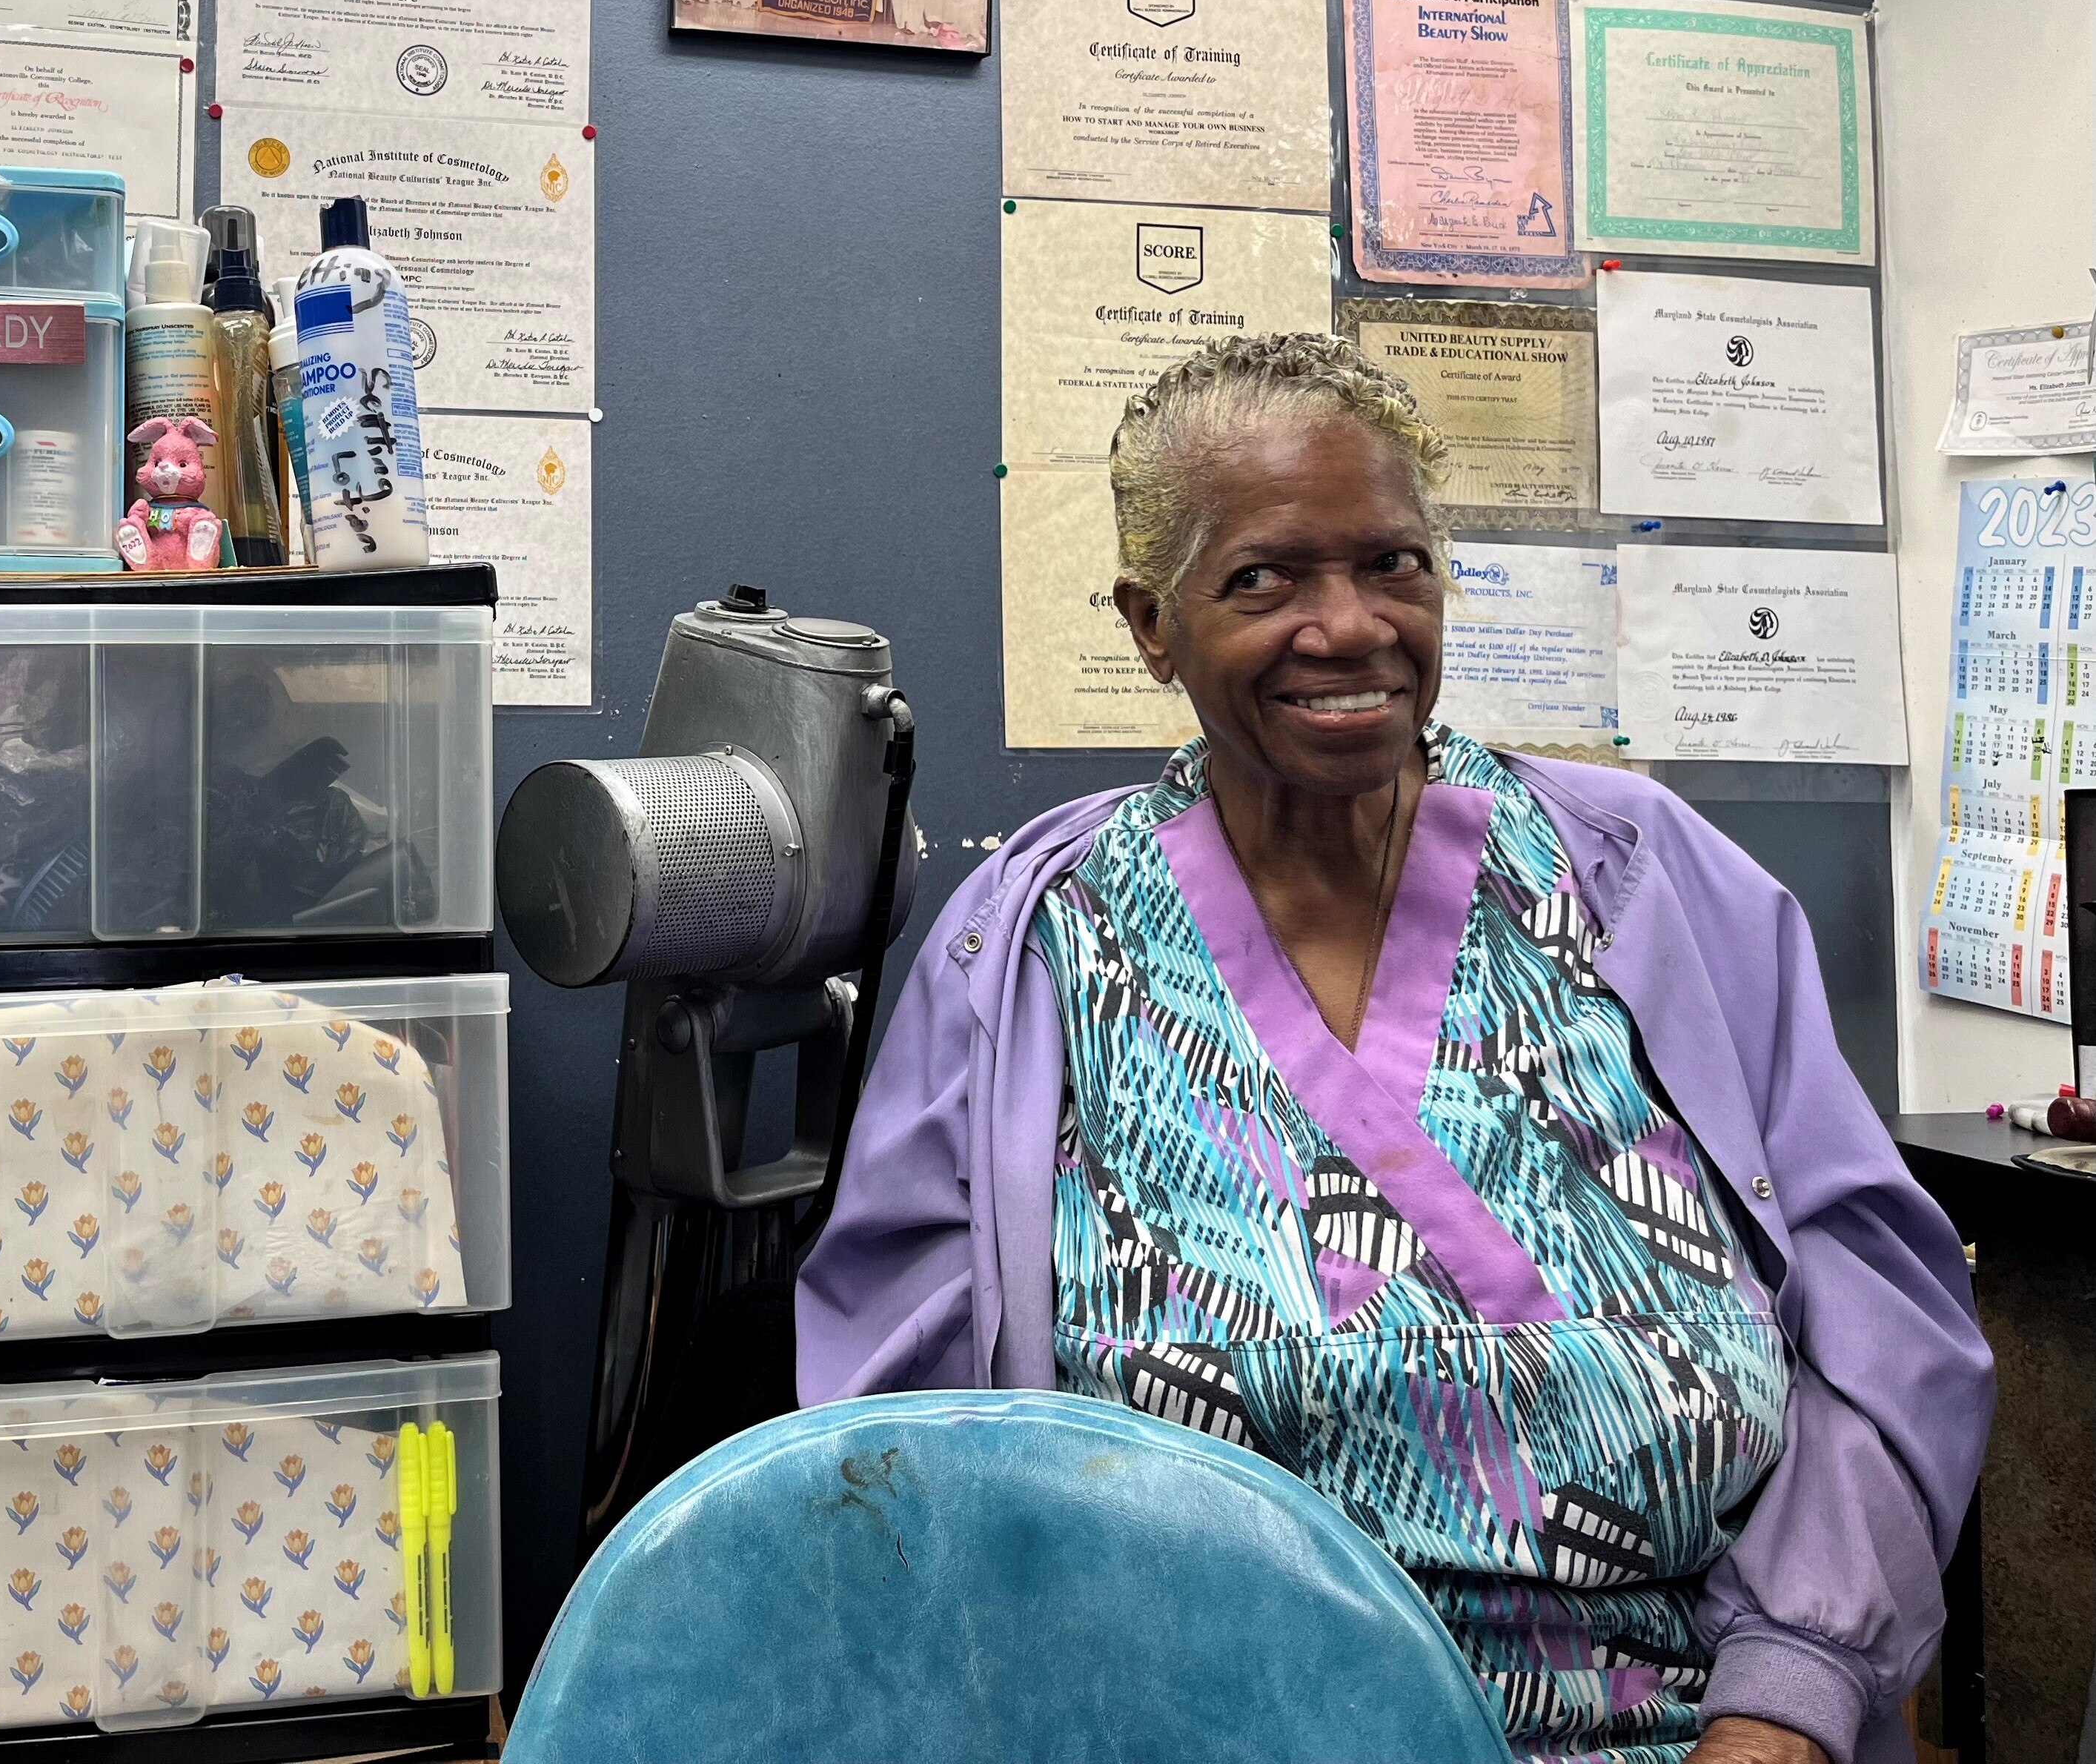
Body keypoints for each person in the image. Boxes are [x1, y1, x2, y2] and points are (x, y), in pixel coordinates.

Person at [797, 331, 1992, 1764]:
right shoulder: (1036, 947)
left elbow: (1871, 1321)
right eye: (1262, 579)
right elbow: (906, 1421)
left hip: (1684, 1734)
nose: (1348, 625)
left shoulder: (1635, 877)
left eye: (1392, 564)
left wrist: (1787, 1697)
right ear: (1149, 624)